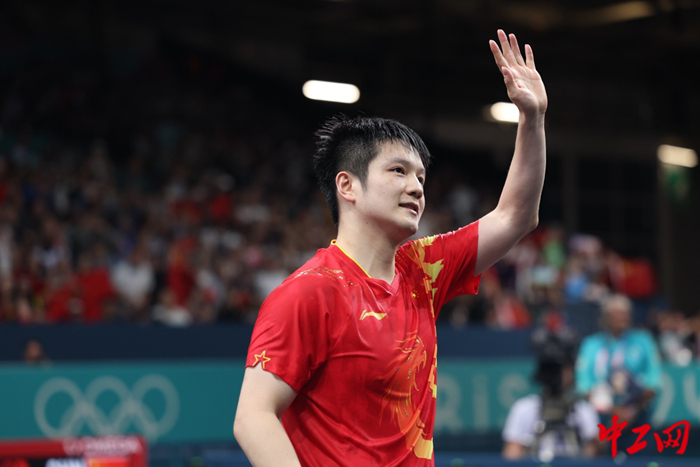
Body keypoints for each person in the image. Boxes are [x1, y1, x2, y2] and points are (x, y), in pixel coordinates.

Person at [234, 29, 547, 466]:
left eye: (421, 177)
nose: (416, 187)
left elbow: (516, 216)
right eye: (398, 171)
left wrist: (532, 119)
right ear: (348, 186)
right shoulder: (310, 292)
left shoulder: (424, 270)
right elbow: (253, 417)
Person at [503, 327, 599, 460]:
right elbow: (511, 456)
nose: (558, 374)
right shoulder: (525, 408)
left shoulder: (583, 410)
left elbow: (593, 456)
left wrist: (597, 443)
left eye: (565, 368)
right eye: (553, 369)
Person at [575, 294, 662, 427]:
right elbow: (583, 385)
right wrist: (614, 411)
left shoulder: (644, 341)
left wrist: (631, 411)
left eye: (625, 313)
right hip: (601, 420)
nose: (622, 318)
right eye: (617, 314)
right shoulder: (591, 345)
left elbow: (653, 380)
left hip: (639, 416)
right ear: (606, 317)